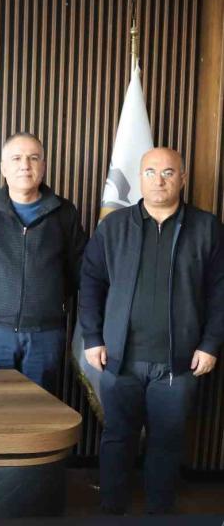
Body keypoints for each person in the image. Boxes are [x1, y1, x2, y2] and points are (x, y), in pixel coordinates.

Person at [80, 147, 224, 514]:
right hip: (119, 358)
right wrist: (92, 338)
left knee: (167, 440)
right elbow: (91, 284)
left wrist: (210, 344)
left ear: (182, 178)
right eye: (150, 172)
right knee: (117, 437)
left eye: (168, 173)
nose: (158, 180)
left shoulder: (207, 228)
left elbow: (220, 292)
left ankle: (159, 512)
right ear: (140, 177)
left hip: (179, 363)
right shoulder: (113, 226)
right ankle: (112, 508)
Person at [0, 132, 86, 393]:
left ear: (43, 166)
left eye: (33, 158)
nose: (25, 165)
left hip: (45, 333)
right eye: (16, 158)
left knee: (39, 409)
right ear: (3, 168)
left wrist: (49, 300)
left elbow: (78, 268)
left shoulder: (65, 212)